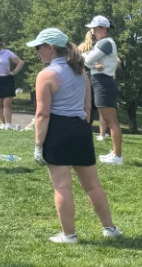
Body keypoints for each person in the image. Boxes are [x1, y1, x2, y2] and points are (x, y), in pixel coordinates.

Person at [27, 27, 122, 244]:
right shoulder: (81, 72)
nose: (37, 52)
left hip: (58, 130)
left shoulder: (46, 75)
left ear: (50, 48)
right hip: (80, 129)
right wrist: (80, 129)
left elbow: (42, 114)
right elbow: (88, 109)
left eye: (39, 48)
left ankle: (69, 235)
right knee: (93, 185)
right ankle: (110, 228)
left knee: (62, 186)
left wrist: (38, 145)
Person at [83, 15, 123, 165]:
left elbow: (87, 60)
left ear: (104, 28)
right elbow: (89, 60)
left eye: (95, 28)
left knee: (111, 121)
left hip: (104, 83)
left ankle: (118, 156)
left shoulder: (105, 43)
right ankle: (114, 152)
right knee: (108, 120)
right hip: (102, 82)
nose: (93, 31)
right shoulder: (104, 43)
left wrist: (88, 59)